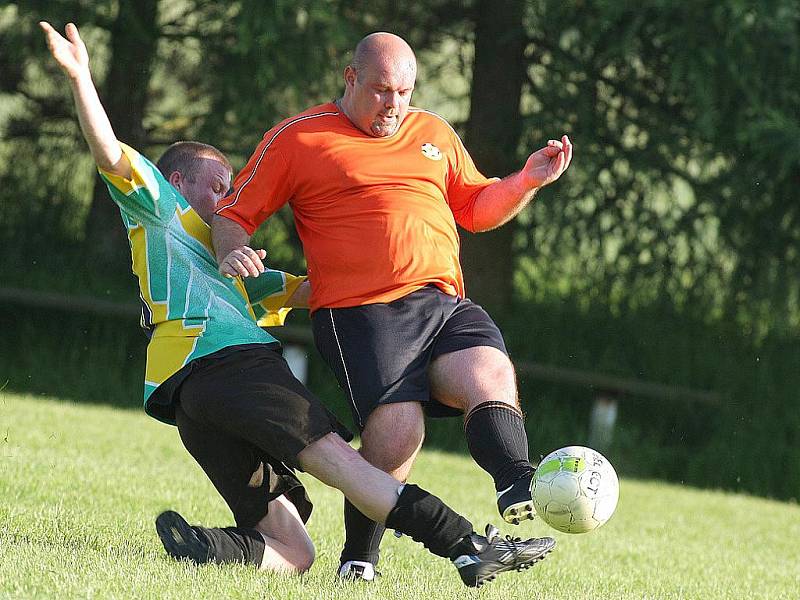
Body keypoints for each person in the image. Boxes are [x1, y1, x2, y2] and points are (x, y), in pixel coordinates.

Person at [41, 21, 557, 587]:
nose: (225, 196)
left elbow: (307, 291)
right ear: (175, 180)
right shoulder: (160, 210)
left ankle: (205, 548)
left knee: (293, 548)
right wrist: (81, 77)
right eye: (216, 185)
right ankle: (465, 543)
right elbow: (111, 153)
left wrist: (517, 187)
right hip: (234, 368)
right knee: (346, 463)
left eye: (404, 93)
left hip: (186, 398)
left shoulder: (248, 278)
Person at [211, 32, 573, 580]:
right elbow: (232, 214)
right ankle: (359, 561)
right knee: (399, 432)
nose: (394, 105)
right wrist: (234, 250)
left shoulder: (433, 132)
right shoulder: (299, 138)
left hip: (442, 301)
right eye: (381, 91)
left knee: (489, 371)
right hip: (359, 312)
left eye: (404, 92)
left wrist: (525, 181)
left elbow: (475, 207)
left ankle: (516, 482)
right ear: (350, 79)